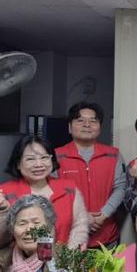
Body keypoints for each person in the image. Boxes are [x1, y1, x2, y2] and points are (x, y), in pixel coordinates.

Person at [0, 135, 88, 250]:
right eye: (30, 159)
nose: (38, 164)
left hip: (62, 259)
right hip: (17, 260)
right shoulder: (3, 193)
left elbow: (80, 227)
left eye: (44, 157)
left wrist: (68, 256)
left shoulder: (69, 188)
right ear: (18, 164)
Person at [55, 102, 126, 248]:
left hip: (107, 237)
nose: (87, 125)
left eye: (93, 120)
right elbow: (53, 194)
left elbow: (121, 187)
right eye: (80, 120)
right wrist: (82, 217)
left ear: (100, 127)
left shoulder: (113, 154)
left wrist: (104, 214)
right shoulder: (56, 156)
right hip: (70, 239)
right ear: (70, 127)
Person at [0, 195, 57, 272]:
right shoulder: (0, 260)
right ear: (13, 230)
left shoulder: (59, 260)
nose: (29, 230)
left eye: (36, 223)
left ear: (49, 228)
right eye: (22, 224)